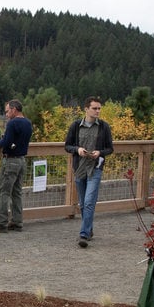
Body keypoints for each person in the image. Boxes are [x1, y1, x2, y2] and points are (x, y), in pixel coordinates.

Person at [64, 96, 114, 248]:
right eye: (95, 108)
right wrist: (77, 149)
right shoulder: (75, 126)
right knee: (82, 203)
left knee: (89, 201)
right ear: (86, 109)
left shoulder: (104, 127)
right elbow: (67, 146)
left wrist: (100, 152)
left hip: (95, 168)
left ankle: (84, 234)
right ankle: (89, 229)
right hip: (79, 168)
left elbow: (110, 148)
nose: (98, 111)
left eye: (99, 108)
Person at [0, 99, 33, 232]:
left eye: (7, 111)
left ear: (14, 110)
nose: (6, 114)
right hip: (22, 160)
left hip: (10, 160)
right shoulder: (27, 122)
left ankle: (1, 222)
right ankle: (17, 221)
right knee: (17, 192)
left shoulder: (12, 123)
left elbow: (7, 141)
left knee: (3, 191)